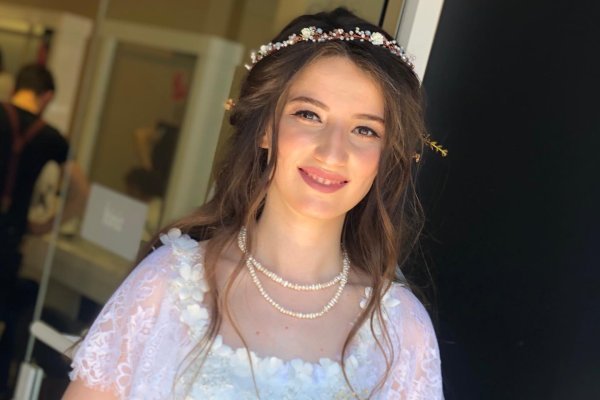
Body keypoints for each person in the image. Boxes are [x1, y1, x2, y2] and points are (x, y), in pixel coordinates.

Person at [64, 8, 444, 399]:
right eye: (309, 115)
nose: (332, 152)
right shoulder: (168, 285)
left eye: (365, 130)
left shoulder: (400, 332)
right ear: (264, 127)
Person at [0, 63, 88, 398]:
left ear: (15, 88)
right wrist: (45, 225)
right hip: (9, 240)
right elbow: (81, 192)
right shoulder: (51, 138)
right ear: (47, 97)